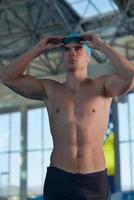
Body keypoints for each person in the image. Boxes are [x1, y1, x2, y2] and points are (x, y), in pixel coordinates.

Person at [1, 32, 134, 200]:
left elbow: (130, 75)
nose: (72, 52)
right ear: (63, 57)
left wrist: (103, 46)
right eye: (67, 50)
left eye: (78, 48)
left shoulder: (102, 86)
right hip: (60, 177)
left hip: (93, 180)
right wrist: (39, 48)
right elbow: (7, 77)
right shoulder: (50, 90)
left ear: (88, 57)